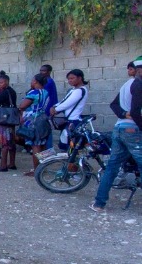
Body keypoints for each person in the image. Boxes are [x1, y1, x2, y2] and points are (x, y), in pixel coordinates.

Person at [92, 57, 142, 212]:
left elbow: (114, 104)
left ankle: (99, 204)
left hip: (119, 129)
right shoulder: (139, 84)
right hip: (133, 131)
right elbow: (135, 112)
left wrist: (123, 114)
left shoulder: (127, 84)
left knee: (112, 167)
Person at [18, 74, 50, 176]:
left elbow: (22, 105)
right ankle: (44, 168)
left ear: (35, 81)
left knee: (35, 145)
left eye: (32, 80)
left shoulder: (33, 92)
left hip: (34, 120)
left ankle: (36, 170)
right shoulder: (45, 92)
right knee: (43, 144)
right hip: (44, 119)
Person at [50, 69, 89, 150]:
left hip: (73, 121)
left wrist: (55, 109)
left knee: (70, 146)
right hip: (70, 120)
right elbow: (64, 101)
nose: (70, 80)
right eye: (68, 79)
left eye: (72, 78)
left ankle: (72, 162)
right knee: (67, 145)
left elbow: (67, 103)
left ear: (80, 78)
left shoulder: (79, 91)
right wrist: (55, 107)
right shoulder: (74, 90)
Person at [0, 74, 18, 172]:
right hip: (11, 120)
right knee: (11, 142)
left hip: (4, 120)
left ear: (6, 82)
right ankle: (12, 163)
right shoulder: (12, 91)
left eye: (0, 82)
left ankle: (3, 165)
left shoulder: (4, 93)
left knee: (4, 143)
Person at [40, 64, 58, 149]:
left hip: (47, 110)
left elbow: (48, 97)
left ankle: (49, 149)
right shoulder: (46, 81)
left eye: (44, 70)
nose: (42, 72)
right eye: (41, 70)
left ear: (49, 72)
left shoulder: (48, 82)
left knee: (47, 131)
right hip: (47, 109)